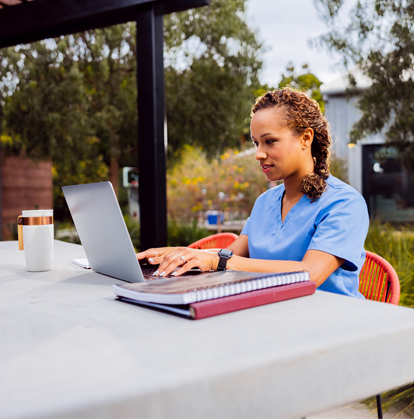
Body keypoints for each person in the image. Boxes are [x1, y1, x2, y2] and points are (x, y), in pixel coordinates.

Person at [136, 87, 369, 298]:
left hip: (329, 324)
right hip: (268, 313)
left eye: (269, 141)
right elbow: (231, 254)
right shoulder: (266, 202)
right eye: (256, 143)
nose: (259, 154)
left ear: (305, 138)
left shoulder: (344, 203)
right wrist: (181, 254)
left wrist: (218, 261)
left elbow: (311, 273)